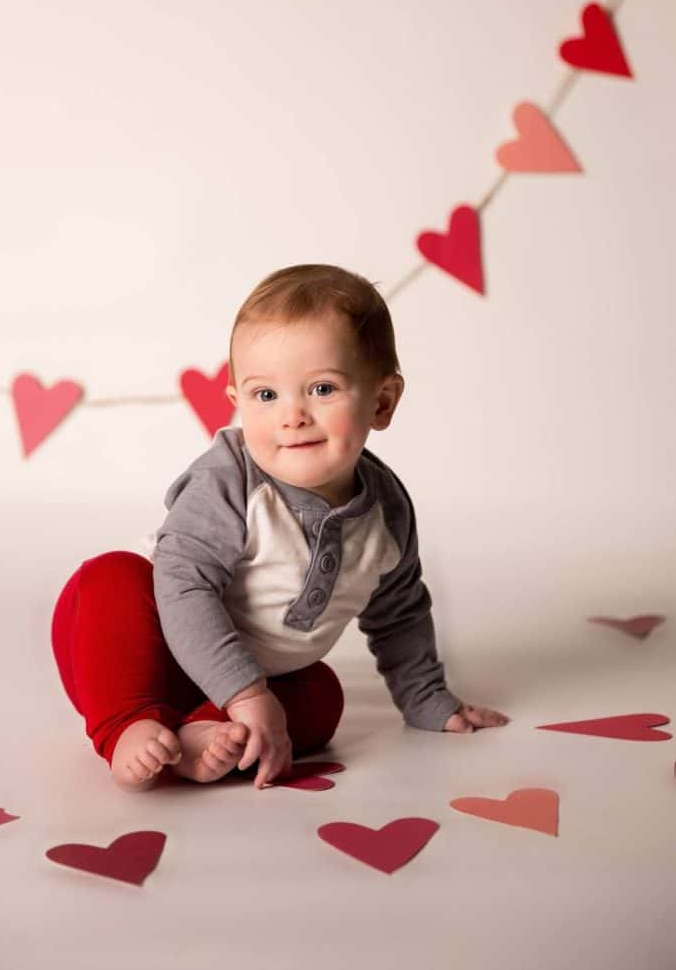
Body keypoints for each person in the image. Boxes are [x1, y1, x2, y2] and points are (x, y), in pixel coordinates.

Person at [51, 263, 509, 793]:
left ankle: (201, 732)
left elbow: (399, 613)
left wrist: (427, 698)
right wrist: (247, 694)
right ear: (238, 403)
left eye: (321, 388)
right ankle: (126, 725)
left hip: (249, 683)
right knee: (111, 577)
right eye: (266, 395)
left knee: (322, 696)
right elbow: (184, 589)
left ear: (381, 402)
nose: (292, 416)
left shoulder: (385, 512)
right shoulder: (229, 482)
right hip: (134, 649)